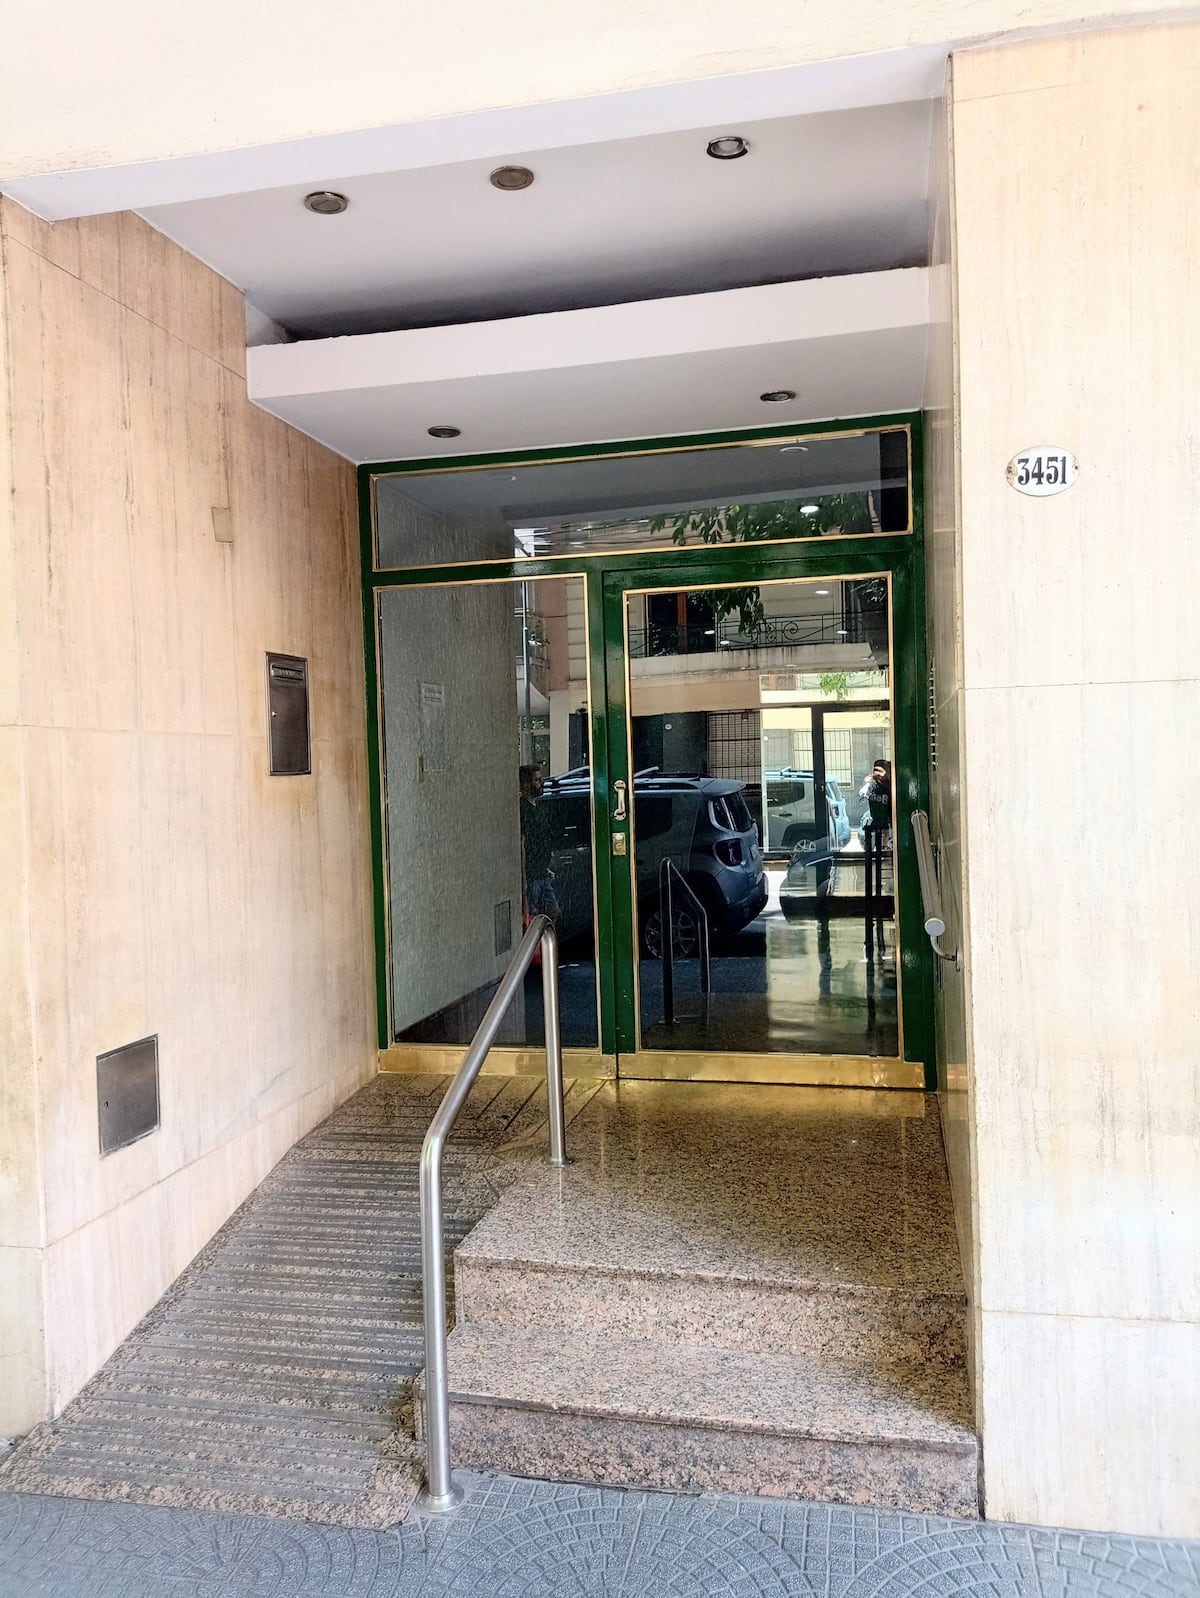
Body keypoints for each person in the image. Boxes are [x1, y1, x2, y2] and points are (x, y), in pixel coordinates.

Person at [519, 763, 559, 925]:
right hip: (532, 875)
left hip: (541, 872)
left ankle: (545, 939)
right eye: (537, 780)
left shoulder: (538, 807)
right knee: (533, 916)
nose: (541, 783)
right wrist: (524, 878)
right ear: (526, 784)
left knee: (553, 911)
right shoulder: (523, 809)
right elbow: (522, 844)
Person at [860, 759, 893, 849]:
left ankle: (883, 845)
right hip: (879, 819)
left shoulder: (890, 785)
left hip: (888, 820)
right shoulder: (872, 785)